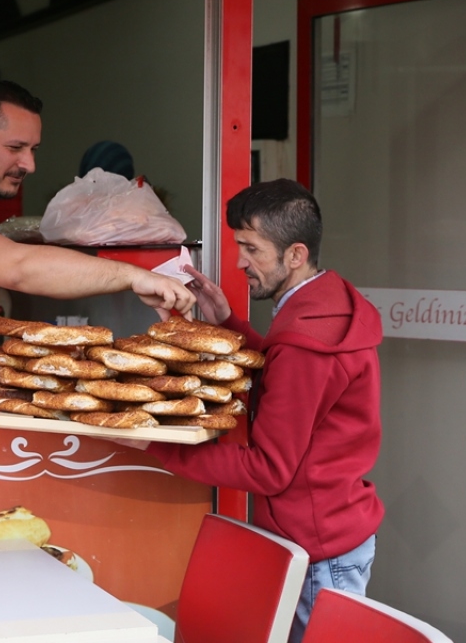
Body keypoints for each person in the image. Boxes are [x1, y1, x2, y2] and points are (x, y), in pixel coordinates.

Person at [121, 178, 384, 643]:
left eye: (252, 249)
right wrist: (228, 323)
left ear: (296, 255)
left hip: (319, 553)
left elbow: (268, 468)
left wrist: (154, 443)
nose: (240, 261)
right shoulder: (324, 305)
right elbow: (285, 380)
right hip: (331, 533)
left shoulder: (307, 341)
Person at [0, 80, 195, 382]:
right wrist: (134, 276)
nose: (29, 165)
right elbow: (18, 267)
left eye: (33, 149)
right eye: (15, 147)